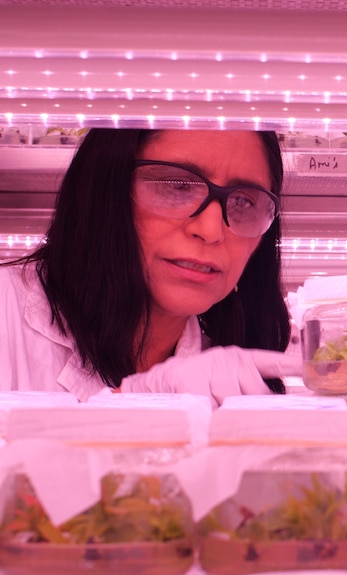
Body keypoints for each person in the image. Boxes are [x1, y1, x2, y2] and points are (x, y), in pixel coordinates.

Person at [0, 128, 294, 407]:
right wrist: (131, 403)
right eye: (178, 186)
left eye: (243, 202)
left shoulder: (218, 372)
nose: (211, 230)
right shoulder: (5, 309)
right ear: (105, 190)